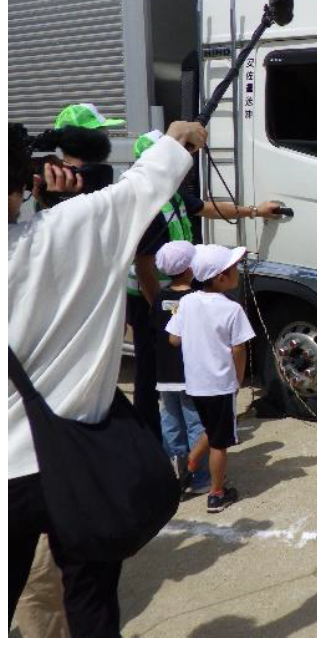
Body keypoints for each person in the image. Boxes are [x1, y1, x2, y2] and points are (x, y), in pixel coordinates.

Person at [9, 118, 207, 637]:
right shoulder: (69, 229)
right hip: (78, 460)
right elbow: (144, 184)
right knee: (92, 606)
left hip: (11, 473)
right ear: (21, 181)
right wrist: (178, 135)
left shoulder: (54, 227)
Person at [126, 130, 281, 440]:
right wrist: (167, 309)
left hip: (175, 292)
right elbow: (145, 270)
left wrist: (252, 211)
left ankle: (184, 433)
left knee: (177, 368)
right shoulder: (147, 205)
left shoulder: (174, 194)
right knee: (152, 368)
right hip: (151, 298)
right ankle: (151, 435)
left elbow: (207, 208)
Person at [167, 244, 256, 513]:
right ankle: (217, 493)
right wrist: (238, 377)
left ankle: (189, 466)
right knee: (220, 442)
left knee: (211, 427)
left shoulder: (187, 302)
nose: (237, 271)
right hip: (220, 384)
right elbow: (238, 348)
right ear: (221, 278)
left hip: (195, 383)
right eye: (234, 268)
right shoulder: (232, 309)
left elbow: (173, 339)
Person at [152, 240, 211, 495]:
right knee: (196, 423)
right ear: (190, 269)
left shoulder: (158, 297)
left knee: (171, 424)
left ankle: (176, 473)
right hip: (191, 375)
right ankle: (200, 478)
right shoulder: (195, 299)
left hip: (164, 375)